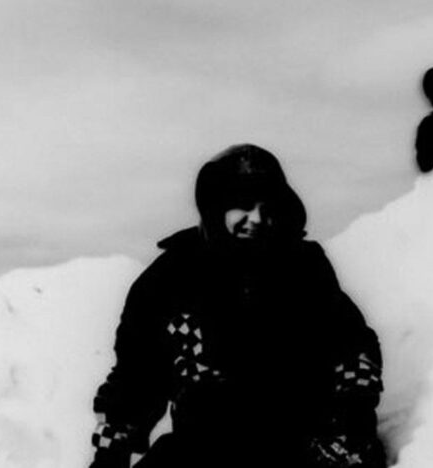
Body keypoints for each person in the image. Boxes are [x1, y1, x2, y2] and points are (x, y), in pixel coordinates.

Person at [88, 144, 385, 468]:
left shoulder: (304, 268)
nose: (257, 218)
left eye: (267, 207)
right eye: (243, 205)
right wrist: (112, 448)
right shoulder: (170, 279)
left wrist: (352, 426)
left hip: (299, 445)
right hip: (203, 448)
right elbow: (137, 376)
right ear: (215, 208)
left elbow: (352, 349)